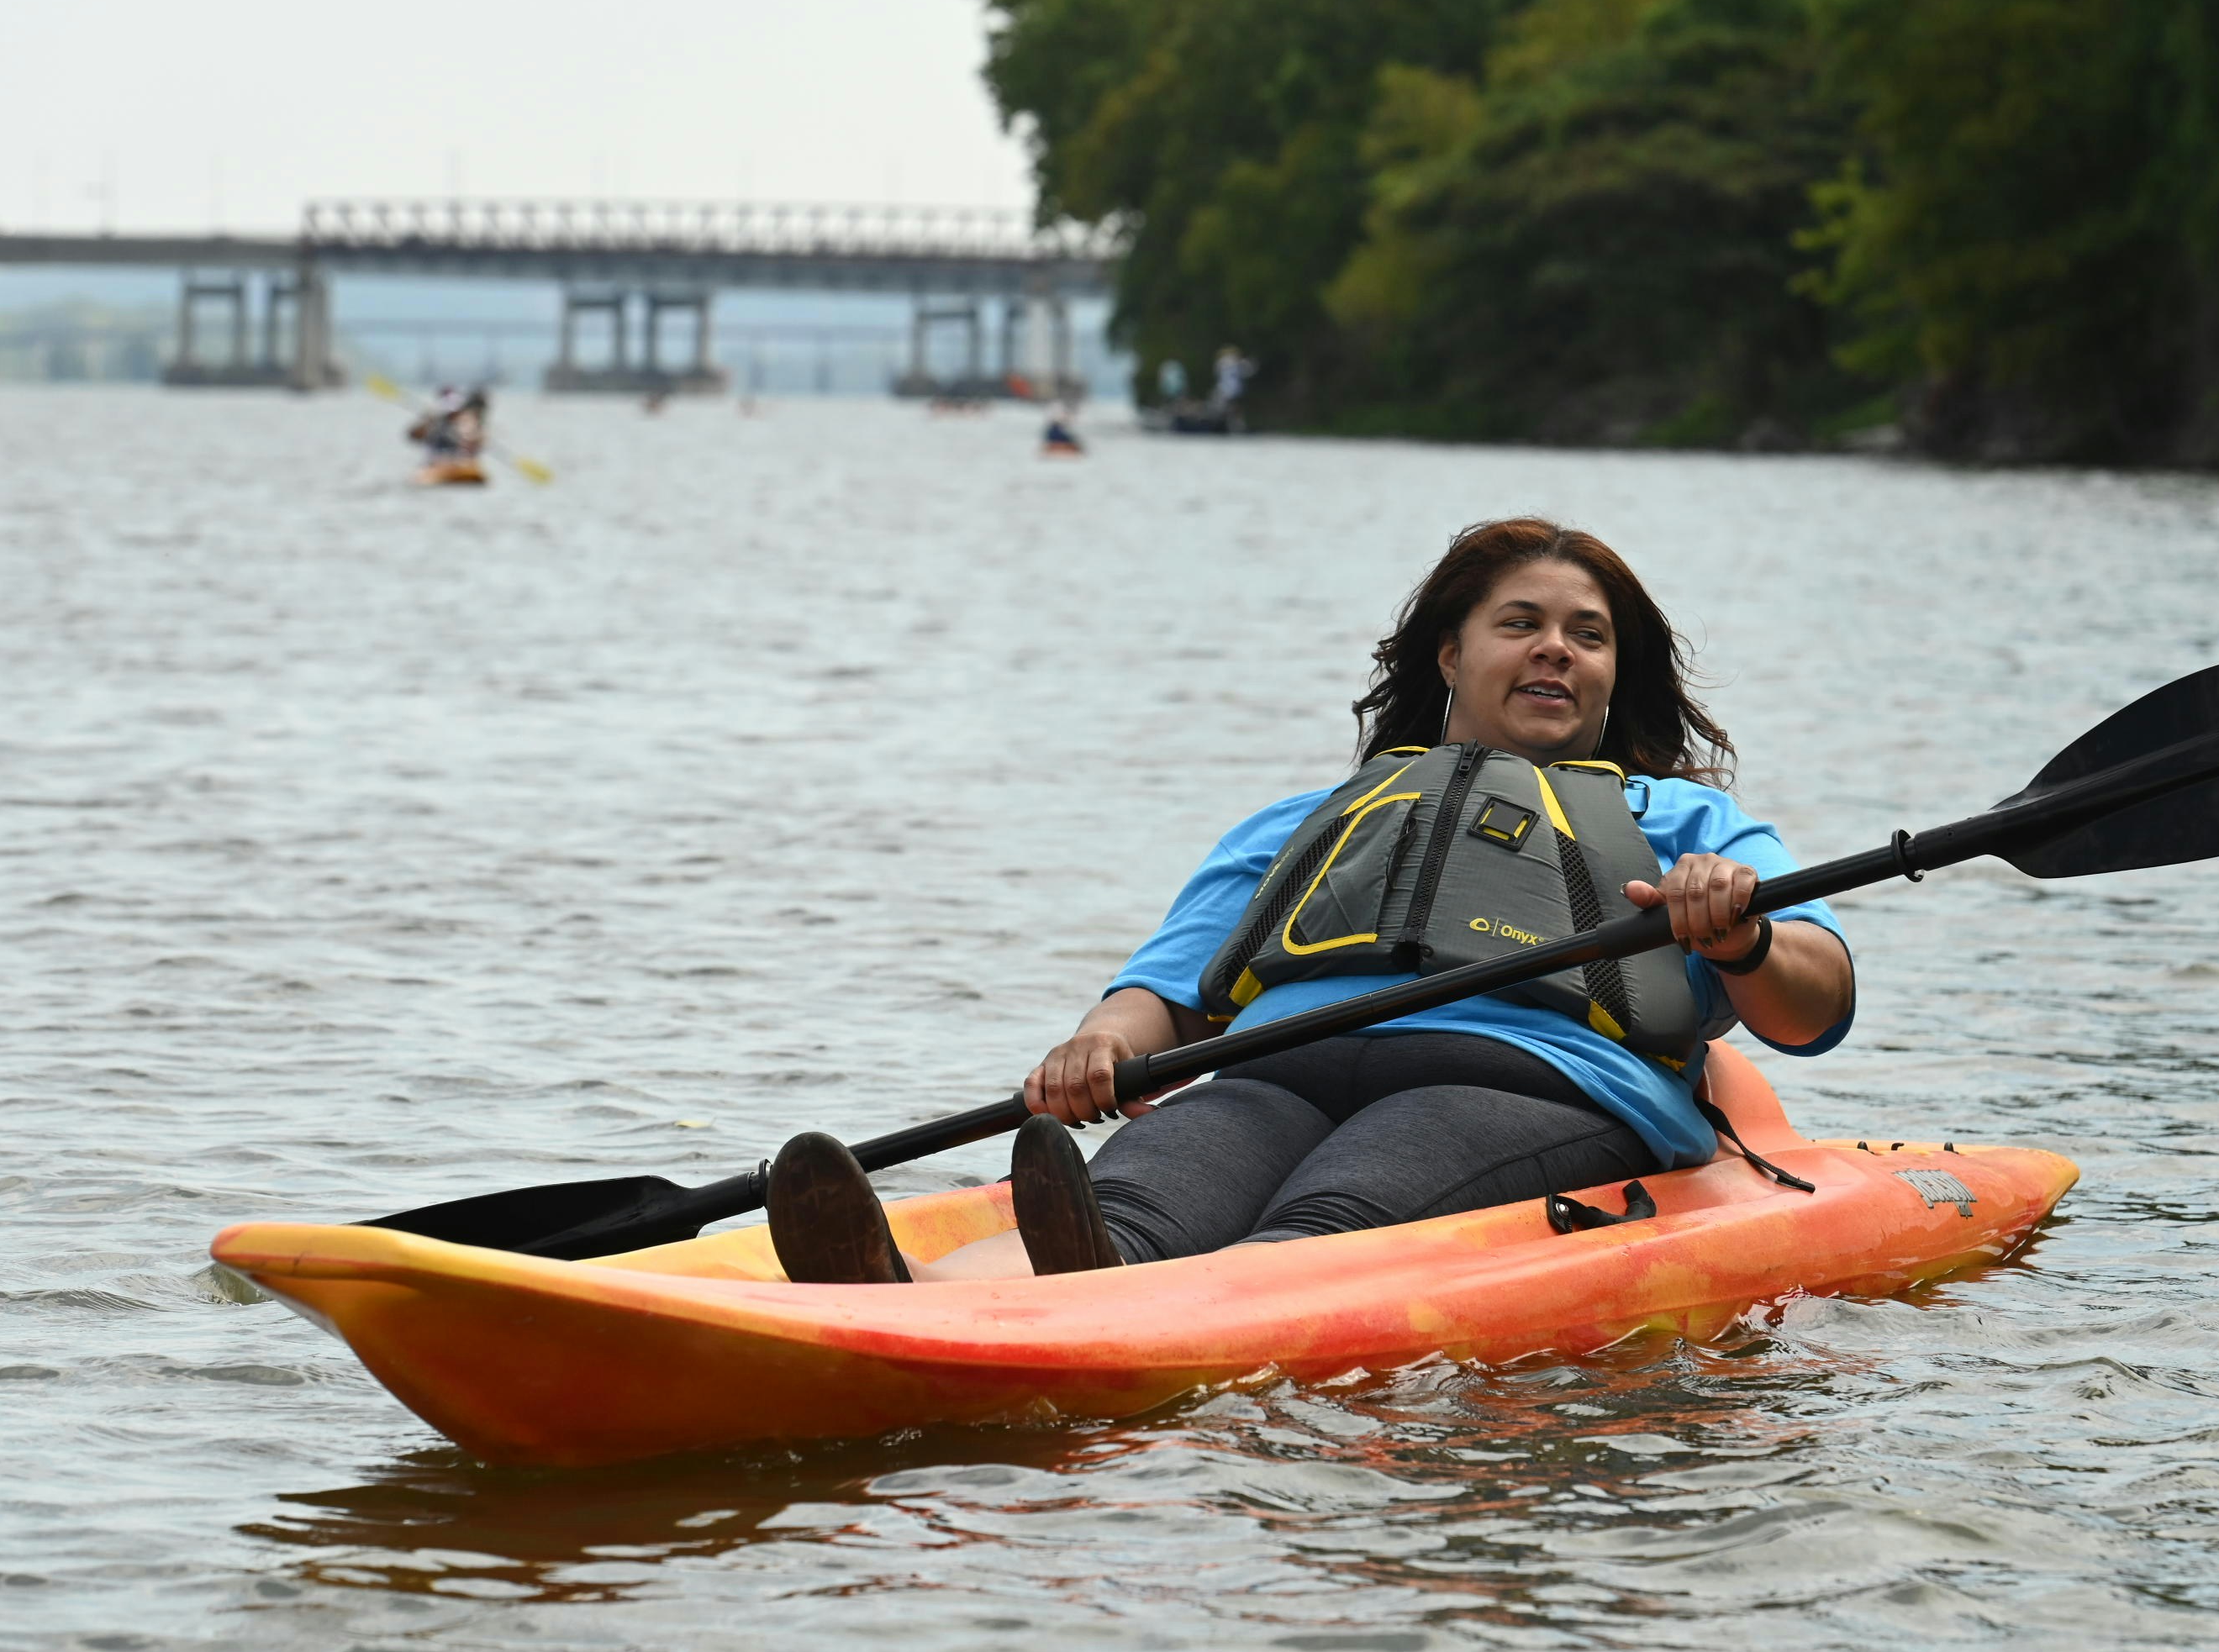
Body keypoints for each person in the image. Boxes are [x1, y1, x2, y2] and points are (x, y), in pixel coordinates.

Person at [761, 518, 1856, 1284]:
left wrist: (1749, 935)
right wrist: (1096, 1043)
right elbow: (1169, 987)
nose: (1554, 649)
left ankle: (1173, 1314)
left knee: (1338, 1211)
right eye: (1520, 623)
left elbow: (1817, 1006)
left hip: (1529, 1082)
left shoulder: (1679, 823)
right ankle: (909, 1285)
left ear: (1615, 675)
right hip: (1277, 1073)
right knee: (1131, 1209)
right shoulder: (1317, 816)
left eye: (1588, 634)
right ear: (1453, 653)